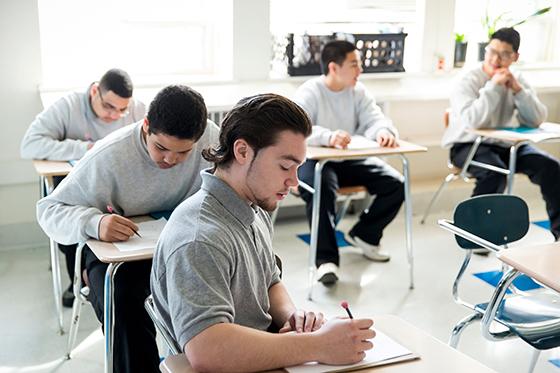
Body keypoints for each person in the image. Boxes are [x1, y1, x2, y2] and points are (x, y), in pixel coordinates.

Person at [151, 93, 375, 372]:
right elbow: (207, 350)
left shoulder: (253, 207)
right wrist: (318, 345)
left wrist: (292, 317)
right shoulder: (199, 237)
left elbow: (269, 281)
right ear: (242, 151)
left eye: (298, 169)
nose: (293, 182)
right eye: (285, 166)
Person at [36, 85, 219, 373]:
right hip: (120, 251)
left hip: (182, 243)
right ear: (146, 126)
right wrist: (94, 222)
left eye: (183, 152)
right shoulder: (109, 155)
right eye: (161, 148)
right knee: (121, 301)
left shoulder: (210, 136)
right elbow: (49, 210)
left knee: (250, 272)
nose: (170, 160)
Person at [21, 68, 146, 307]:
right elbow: (30, 144)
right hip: (79, 180)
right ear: (95, 91)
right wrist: (86, 149)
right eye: (109, 107)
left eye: (122, 110)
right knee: (73, 210)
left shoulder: (138, 110)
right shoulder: (68, 107)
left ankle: (115, 274)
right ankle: (78, 279)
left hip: (121, 183)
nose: (115, 115)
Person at [294, 40, 404, 286]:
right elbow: (298, 128)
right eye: (354, 64)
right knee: (322, 188)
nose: (360, 70)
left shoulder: (359, 91)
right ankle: (326, 260)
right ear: (334, 67)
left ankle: (365, 234)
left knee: (396, 184)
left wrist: (383, 131)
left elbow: (375, 119)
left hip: (347, 160)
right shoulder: (310, 91)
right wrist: (328, 137)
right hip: (314, 160)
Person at [442, 27, 560, 241]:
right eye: (491, 51)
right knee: (495, 171)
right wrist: (494, 87)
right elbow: (473, 121)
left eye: (504, 54)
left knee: (551, 168)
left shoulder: (517, 78)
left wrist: (518, 90)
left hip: (506, 144)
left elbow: (536, 119)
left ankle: (559, 233)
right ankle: (474, 236)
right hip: (467, 144)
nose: (495, 59)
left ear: (515, 57)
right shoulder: (467, 80)